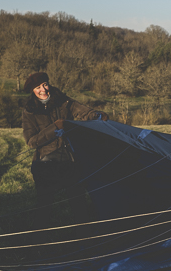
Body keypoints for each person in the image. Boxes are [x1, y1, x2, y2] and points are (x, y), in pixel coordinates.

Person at [21, 71, 107, 221]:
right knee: (44, 205)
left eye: (44, 84)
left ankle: (84, 236)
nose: (43, 90)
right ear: (32, 91)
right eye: (37, 88)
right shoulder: (29, 111)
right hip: (45, 161)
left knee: (78, 201)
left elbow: (82, 111)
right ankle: (39, 238)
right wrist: (54, 128)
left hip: (70, 157)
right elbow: (31, 141)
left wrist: (98, 116)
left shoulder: (62, 100)